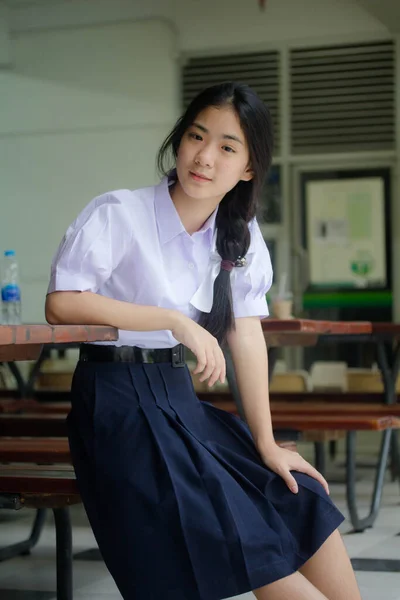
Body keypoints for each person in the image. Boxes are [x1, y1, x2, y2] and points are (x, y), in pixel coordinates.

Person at [45, 82, 361, 600]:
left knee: (297, 494)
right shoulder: (120, 213)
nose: (205, 156)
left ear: (250, 168)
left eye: (227, 147)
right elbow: (61, 303)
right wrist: (172, 319)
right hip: (117, 404)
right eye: (196, 136)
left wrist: (266, 442)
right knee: (245, 531)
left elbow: (246, 333)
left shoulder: (240, 234)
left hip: (177, 399)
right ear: (179, 139)